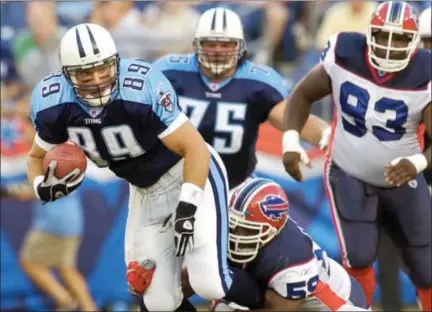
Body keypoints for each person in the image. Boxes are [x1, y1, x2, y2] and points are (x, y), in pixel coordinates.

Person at [27, 23, 266, 311]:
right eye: (84, 73)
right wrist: (41, 187)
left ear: (115, 61)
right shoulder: (54, 102)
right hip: (145, 191)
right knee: (157, 301)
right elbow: (35, 158)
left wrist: (187, 209)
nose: (97, 78)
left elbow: (194, 148)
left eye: (103, 67)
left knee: (210, 282)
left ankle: (273, 302)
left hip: (188, 172)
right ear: (67, 74)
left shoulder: (140, 88)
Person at [281, 1, 431, 310]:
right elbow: (301, 95)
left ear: (414, 42)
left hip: (403, 178)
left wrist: (417, 162)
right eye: (383, 35)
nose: (389, 47)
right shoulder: (345, 52)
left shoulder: (425, 73)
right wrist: (291, 142)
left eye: (400, 38)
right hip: (349, 172)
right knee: (360, 256)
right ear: (369, 33)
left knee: (426, 266)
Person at [153, 7, 330, 191]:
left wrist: (329, 137)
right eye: (210, 44)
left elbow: (293, 118)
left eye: (226, 44)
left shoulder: (257, 82)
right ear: (197, 44)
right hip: (174, 185)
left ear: (239, 46)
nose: (218, 51)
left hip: (233, 187)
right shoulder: (170, 72)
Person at [183, 178, 368, 311]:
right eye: (234, 227)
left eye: (247, 231)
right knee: (221, 301)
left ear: (272, 230)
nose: (237, 236)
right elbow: (193, 277)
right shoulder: (229, 226)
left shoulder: (291, 257)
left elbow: (279, 308)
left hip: (335, 302)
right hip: (276, 291)